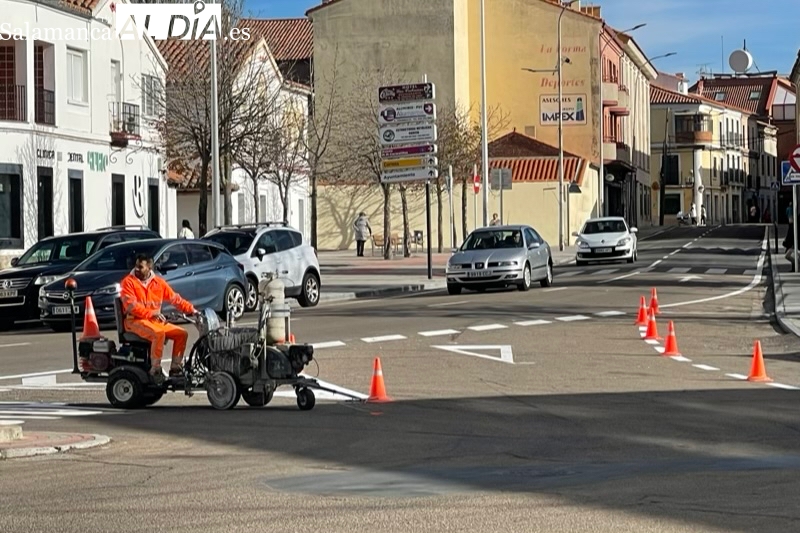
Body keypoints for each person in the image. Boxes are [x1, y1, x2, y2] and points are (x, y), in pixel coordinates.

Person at [119, 253, 198, 383]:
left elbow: (175, 299)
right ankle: (155, 369)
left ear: (149, 268)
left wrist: (193, 310)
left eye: (140, 267)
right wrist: (151, 314)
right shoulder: (128, 282)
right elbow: (131, 307)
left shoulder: (159, 283)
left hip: (153, 321)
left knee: (181, 334)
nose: (136, 269)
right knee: (158, 334)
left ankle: (176, 368)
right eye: (136, 266)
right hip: (134, 321)